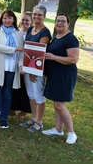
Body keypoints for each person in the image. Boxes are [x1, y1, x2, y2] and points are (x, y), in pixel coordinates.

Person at [42, 13, 79, 145]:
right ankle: (58, 129)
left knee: (59, 104)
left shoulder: (70, 39)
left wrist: (55, 57)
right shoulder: (57, 37)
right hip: (55, 74)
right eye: (58, 21)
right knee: (56, 103)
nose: (60, 23)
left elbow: (74, 59)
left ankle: (71, 133)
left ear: (68, 24)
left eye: (63, 21)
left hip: (65, 75)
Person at [20, 5, 51, 132]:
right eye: (35, 14)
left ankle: (39, 121)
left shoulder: (45, 32)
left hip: (37, 68)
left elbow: (39, 53)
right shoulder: (30, 29)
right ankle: (33, 118)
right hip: (28, 66)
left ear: (44, 16)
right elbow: (27, 49)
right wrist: (25, 67)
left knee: (38, 95)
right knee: (31, 94)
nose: (36, 17)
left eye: (39, 15)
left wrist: (34, 72)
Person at [10, 11, 33, 119]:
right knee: (14, 87)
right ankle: (13, 108)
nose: (24, 22)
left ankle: (24, 111)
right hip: (15, 62)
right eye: (23, 20)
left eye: (27, 20)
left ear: (31, 21)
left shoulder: (32, 33)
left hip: (27, 63)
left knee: (25, 88)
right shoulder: (16, 32)